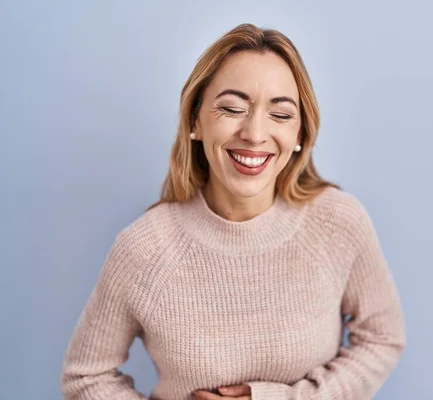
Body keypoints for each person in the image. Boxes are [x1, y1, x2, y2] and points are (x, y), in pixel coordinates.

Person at [61, 23, 406, 400]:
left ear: (300, 135)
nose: (255, 134)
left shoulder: (338, 223)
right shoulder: (143, 249)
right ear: (195, 121)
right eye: (232, 108)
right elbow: (85, 379)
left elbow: (383, 338)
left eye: (281, 114)